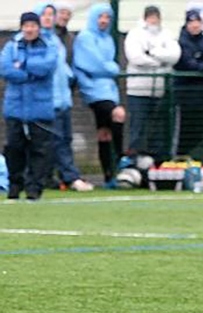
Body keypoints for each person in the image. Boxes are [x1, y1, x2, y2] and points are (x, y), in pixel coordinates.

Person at [35, 3, 94, 192]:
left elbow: (63, 67)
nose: (48, 18)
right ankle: (69, 177)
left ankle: (55, 177)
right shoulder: (33, 40)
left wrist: (69, 79)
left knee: (64, 139)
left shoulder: (56, 39)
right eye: (44, 14)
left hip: (63, 98)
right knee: (53, 141)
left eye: (51, 15)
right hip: (47, 100)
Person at [1, 12, 57, 201]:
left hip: (40, 109)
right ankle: (14, 186)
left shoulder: (49, 45)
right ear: (22, 27)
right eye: (26, 25)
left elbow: (46, 67)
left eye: (33, 25)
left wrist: (23, 66)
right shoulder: (12, 46)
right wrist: (28, 73)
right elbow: (5, 69)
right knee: (14, 148)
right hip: (15, 108)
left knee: (39, 150)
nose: (30, 29)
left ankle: (34, 189)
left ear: (38, 28)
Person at [73, 3, 126, 188]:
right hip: (94, 91)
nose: (104, 21)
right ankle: (122, 159)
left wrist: (107, 69)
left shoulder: (108, 39)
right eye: (100, 17)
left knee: (104, 133)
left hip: (109, 91)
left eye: (107, 17)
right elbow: (94, 64)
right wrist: (111, 68)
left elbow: (103, 65)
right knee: (118, 114)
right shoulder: (85, 37)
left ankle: (109, 176)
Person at [124, 5, 181, 162]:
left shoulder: (166, 34)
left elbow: (174, 55)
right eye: (150, 17)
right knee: (138, 128)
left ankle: (158, 163)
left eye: (156, 17)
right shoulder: (135, 34)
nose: (153, 20)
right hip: (138, 91)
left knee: (158, 130)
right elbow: (136, 57)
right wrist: (161, 62)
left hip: (160, 91)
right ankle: (134, 162)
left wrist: (154, 54)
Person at [173, 9, 203, 158]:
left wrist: (201, 63)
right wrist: (200, 64)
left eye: (198, 22)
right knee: (183, 130)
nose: (195, 25)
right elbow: (189, 64)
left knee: (199, 132)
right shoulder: (181, 42)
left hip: (201, 95)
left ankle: (187, 158)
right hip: (184, 96)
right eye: (192, 22)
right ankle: (178, 158)